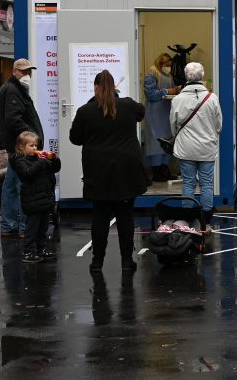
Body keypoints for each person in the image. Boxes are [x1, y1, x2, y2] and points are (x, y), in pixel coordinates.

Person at [70, 70, 147, 274]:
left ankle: (97, 262)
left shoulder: (85, 111)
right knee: (125, 216)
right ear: (114, 88)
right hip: (126, 169)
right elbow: (141, 112)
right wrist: (119, 98)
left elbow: (75, 138)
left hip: (98, 170)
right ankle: (126, 261)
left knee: (100, 216)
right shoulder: (128, 105)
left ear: (95, 87)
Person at [0, 58, 44, 239]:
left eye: (29, 71)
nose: (27, 75)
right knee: (22, 186)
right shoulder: (13, 90)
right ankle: (23, 226)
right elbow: (14, 120)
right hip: (20, 148)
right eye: (24, 71)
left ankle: (9, 225)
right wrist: (31, 139)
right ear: (15, 71)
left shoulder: (14, 89)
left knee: (10, 186)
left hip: (17, 147)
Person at [170, 62, 223, 220]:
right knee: (206, 183)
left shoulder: (178, 99)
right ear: (202, 75)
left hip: (185, 148)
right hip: (206, 147)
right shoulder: (212, 98)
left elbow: (173, 125)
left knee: (188, 183)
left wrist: (178, 138)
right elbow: (219, 125)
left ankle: (187, 217)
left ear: (186, 76)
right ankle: (206, 218)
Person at [10, 131, 61, 263]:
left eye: (36, 146)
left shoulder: (39, 159)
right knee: (32, 228)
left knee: (43, 228)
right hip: (32, 200)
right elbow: (27, 174)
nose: (35, 148)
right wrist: (42, 162)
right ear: (22, 147)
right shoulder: (19, 160)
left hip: (44, 198)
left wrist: (54, 159)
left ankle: (40, 248)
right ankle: (28, 251)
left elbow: (54, 169)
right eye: (31, 146)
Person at [144, 53, 181, 182]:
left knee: (167, 141)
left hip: (166, 112)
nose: (169, 68)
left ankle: (165, 169)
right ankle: (156, 171)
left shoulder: (169, 76)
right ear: (160, 64)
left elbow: (172, 90)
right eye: (167, 65)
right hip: (155, 115)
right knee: (156, 142)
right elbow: (150, 94)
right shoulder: (152, 75)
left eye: (170, 65)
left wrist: (176, 90)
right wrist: (166, 91)